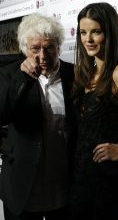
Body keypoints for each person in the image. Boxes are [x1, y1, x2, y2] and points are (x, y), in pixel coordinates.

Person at [0, 13, 76, 220]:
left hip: (63, 185)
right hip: (23, 186)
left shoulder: (75, 75)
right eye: (35, 48)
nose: (42, 55)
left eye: (49, 47)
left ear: (59, 47)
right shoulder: (9, 75)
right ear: (25, 50)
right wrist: (21, 79)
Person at [69, 2, 118, 220]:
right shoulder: (87, 71)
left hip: (106, 178)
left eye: (95, 32)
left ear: (108, 33)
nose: (88, 39)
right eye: (83, 32)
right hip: (81, 177)